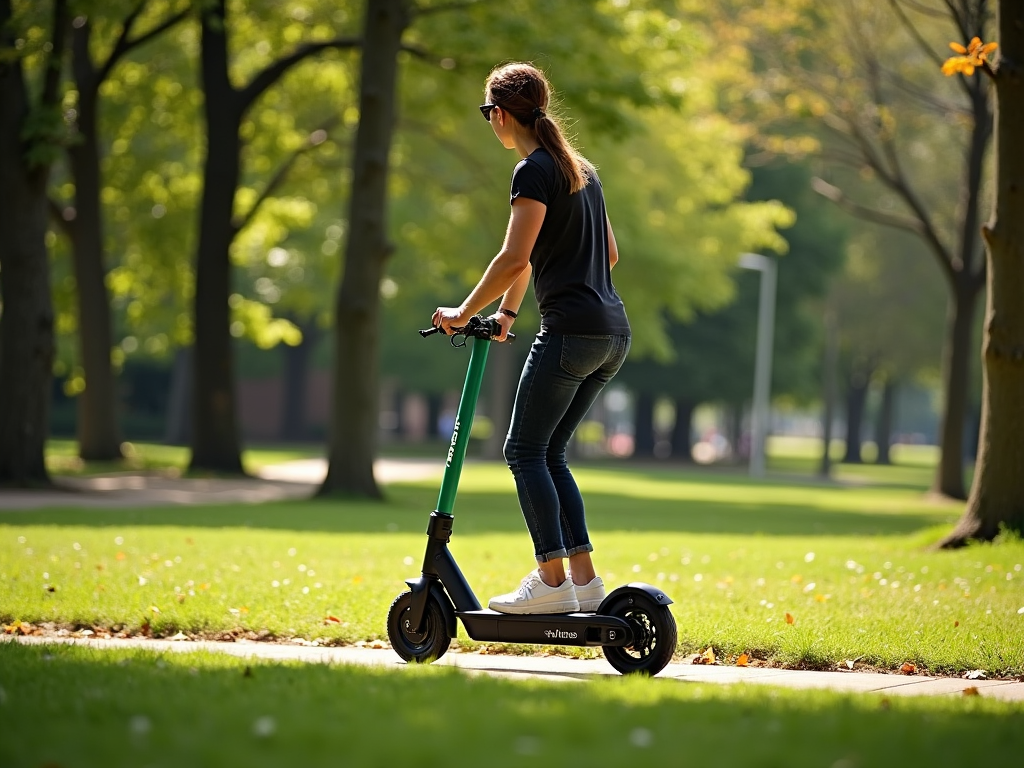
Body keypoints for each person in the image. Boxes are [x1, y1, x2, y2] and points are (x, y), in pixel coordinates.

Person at [431, 62, 630, 615]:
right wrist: (507, 315)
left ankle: (549, 580)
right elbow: (607, 254)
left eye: (486, 113)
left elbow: (515, 256)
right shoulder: (580, 169)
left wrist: (464, 310)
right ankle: (585, 584)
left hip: (570, 334)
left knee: (522, 451)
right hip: (612, 336)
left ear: (498, 114)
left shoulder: (532, 171)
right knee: (551, 453)